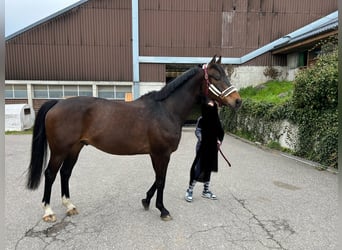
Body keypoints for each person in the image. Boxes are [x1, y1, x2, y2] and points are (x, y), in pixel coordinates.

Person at [185, 100, 224, 202]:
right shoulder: (202, 119)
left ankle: (205, 191)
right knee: (198, 169)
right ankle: (189, 190)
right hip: (202, 148)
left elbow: (219, 133)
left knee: (208, 169)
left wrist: (219, 141)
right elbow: (197, 131)